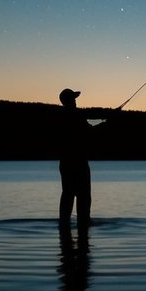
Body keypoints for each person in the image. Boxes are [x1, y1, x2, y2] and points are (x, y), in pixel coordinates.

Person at [57, 87, 94, 228]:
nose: (75, 101)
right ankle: (83, 224)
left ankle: (64, 224)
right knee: (83, 196)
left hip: (65, 162)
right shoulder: (76, 115)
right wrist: (105, 124)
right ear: (69, 101)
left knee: (68, 194)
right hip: (78, 162)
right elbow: (90, 132)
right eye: (73, 98)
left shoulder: (62, 117)